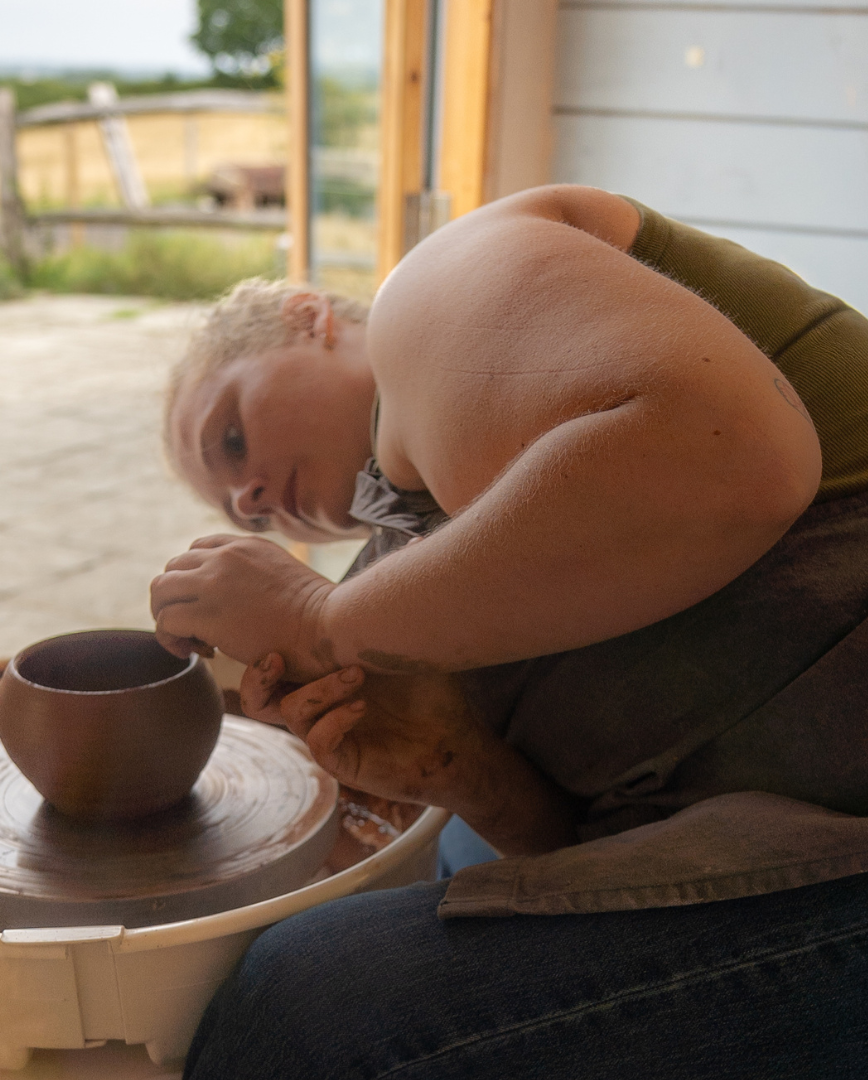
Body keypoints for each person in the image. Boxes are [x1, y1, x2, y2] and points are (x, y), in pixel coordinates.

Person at [153, 185, 868, 1077]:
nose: (250, 498)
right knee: (452, 847)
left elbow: (745, 462)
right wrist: (461, 769)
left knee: (311, 1002)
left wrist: (317, 620)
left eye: (230, 437)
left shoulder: (434, 293)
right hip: (795, 819)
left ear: (310, 321)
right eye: (238, 511)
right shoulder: (406, 581)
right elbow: (590, 852)